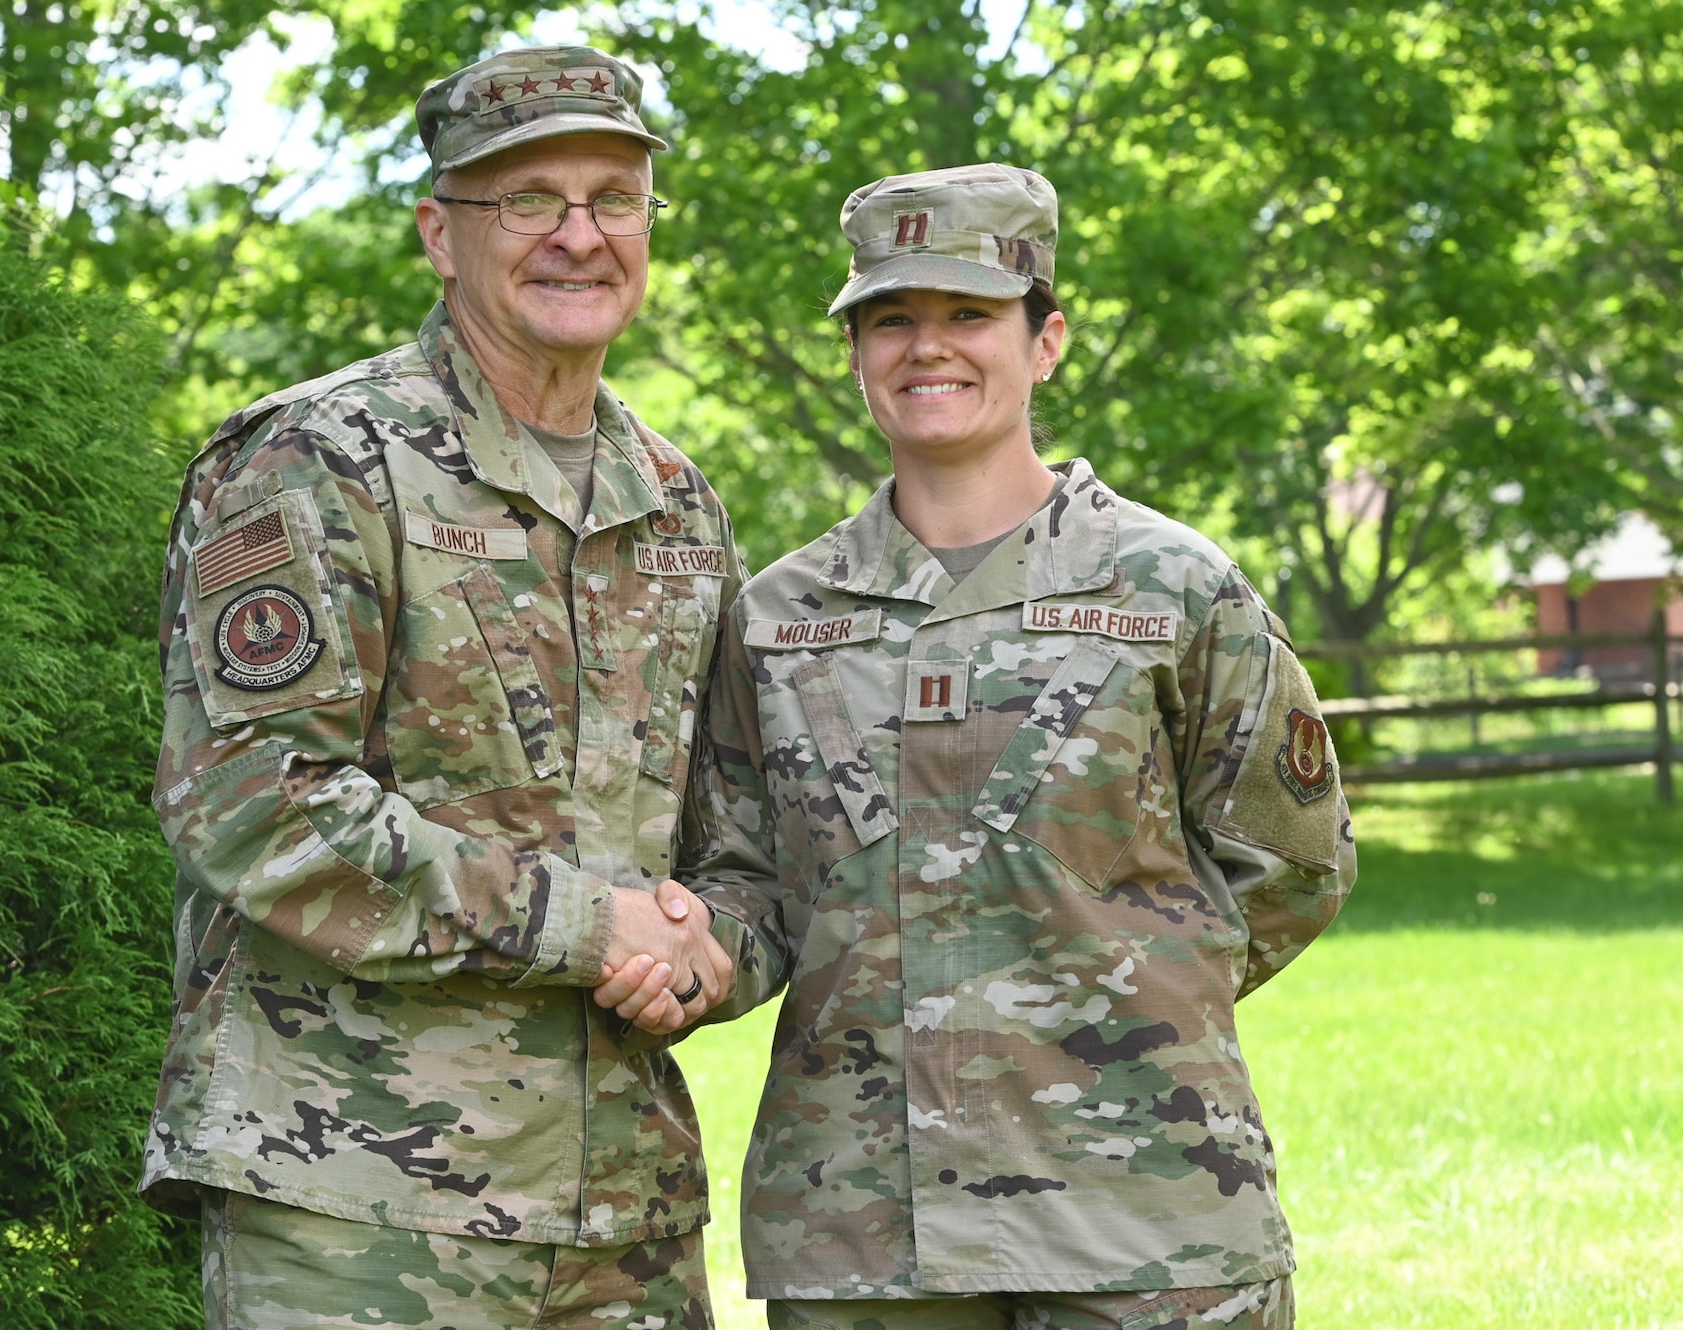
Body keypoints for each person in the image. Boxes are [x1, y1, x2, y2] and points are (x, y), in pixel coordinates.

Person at [652, 164, 1356, 1328]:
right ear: (856, 353)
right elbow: (752, 882)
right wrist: (683, 949)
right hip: (861, 1228)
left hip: (1143, 1209)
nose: (927, 348)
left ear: (1044, 341)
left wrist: (1119, 995)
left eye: (968, 314)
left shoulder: (1173, 588)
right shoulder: (775, 617)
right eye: (891, 320)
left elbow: (1292, 864)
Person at [141, 45, 740, 1330]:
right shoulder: (318, 460)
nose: (579, 237)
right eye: (528, 201)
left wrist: (708, 954)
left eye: (614, 199)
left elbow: (735, 830)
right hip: (356, 1201)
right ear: (438, 231)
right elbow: (259, 803)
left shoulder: (678, 503)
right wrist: (592, 928)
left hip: (623, 1215)